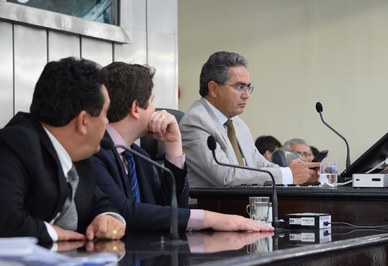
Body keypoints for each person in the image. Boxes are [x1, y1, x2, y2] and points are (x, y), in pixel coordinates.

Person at [91, 62, 274, 233]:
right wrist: (211, 219)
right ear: (135, 108)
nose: (156, 110)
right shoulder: (94, 152)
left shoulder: (137, 155)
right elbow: (124, 212)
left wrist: (174, 147)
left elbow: (171, 210)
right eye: (152, 101)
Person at [0, 57, 126, 244]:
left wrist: (107, 217)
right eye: (105, 114)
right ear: (84, 121)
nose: (106, 123)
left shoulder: (78, 155)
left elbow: (97, 201)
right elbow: (6, 220)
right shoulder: (14, 145)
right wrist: (54, 234)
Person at [179, 51, 320, 188]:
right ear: (213, 88)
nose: (247, 95)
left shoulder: (237, 123)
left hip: (244, 204)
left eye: (248, 87)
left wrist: (303, 175)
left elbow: (261, 165)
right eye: (240, 87)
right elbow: (224, 176)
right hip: (212, 207)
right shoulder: (195, 122)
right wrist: (286, 175)